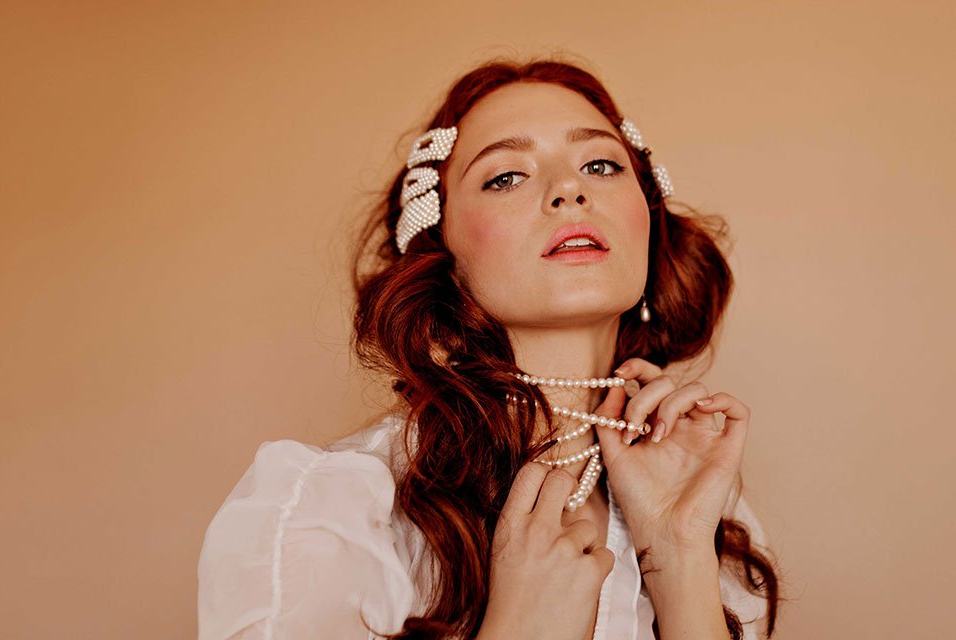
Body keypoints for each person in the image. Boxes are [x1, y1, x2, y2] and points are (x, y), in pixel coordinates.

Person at [197, 57, 782, 640]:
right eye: (505, 177)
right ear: (442, 249)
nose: (570, 189)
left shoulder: (710, 514)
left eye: (600, 164)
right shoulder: (328, 512)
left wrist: (678, 556)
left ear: (649, 222)